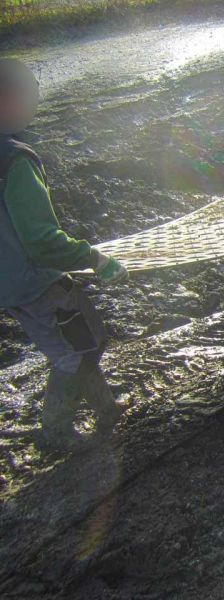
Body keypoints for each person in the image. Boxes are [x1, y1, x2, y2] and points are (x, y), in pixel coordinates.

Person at [0, 59, 129, 453]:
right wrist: (94, 257)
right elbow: (41, 241)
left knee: (78, 342)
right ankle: (55, 431)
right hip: (36, 281)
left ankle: (106, 409)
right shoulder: (16, 161)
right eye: (33, 93)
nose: (37, 101)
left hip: (9, 285)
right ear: (9, 98)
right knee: (77, 349)